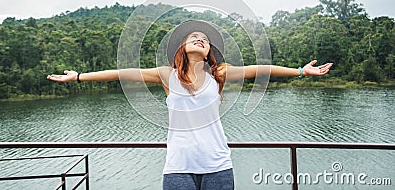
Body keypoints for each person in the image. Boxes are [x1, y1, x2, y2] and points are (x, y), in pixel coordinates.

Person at [47, 19, 333, 190]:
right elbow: (122, 74)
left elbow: (262, 68)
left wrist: (300, 71)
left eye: (205, 40)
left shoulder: (218, 73)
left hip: (218, 165)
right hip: (178, 168)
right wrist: (79, 77)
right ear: (183, 48)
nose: (200, 40)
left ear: (209, 52)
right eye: (194, 38)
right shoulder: (165, 76)